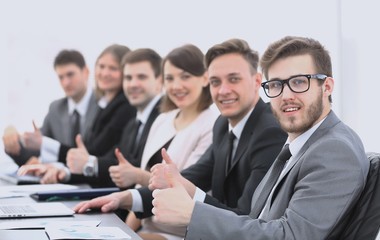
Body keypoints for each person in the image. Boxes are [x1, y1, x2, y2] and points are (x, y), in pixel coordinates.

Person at [150, 36, 370, 239]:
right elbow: (255, 218)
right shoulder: (300, 143)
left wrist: (193, 215)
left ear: (327, 86)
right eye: (275, 85)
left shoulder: (333, 150)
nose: (286, 96)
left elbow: (291, 236)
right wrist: (189, 195)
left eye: (299, 82)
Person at [73, 39, 286, 239]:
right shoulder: (222, 125)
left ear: (257, 81)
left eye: (234, 79)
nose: (223, 90)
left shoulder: (270, 132)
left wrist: (188, 193)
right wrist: (125, 198)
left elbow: (247, 217)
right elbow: (192, 176)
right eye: (215, 81)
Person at [75, 44, 219, 240]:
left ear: (204, 78)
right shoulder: (163, 119)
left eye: (185, 76)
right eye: (170, 78)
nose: (176, 86)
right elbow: (140, 193)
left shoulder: (211, 125)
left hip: (182, 233)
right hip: (148, 229)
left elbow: (184, 185)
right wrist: (125, 231)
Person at [18, 44, 136, 183]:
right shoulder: (104, 105)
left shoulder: (122, 106)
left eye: (113, 68)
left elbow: (94, 153)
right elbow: (90, 156)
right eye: (101, 66)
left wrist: (45, 145)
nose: (104, 73)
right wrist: (57, 168)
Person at [61, 48, 164, 187]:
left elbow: (135, 170)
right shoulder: (133, 124)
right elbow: (118, 167)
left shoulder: (164, 119)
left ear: (160, 81)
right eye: (128, 78)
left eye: (141, 77)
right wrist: (65, 173)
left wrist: (89, 163)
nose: (133, 84)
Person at [3, 49, 98, 167]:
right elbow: (36, 150)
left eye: (70, 75)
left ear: (86, 72)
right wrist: (13, 140)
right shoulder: (56, 109)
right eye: (61, 77)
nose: (66, 82)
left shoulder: (102, 106)